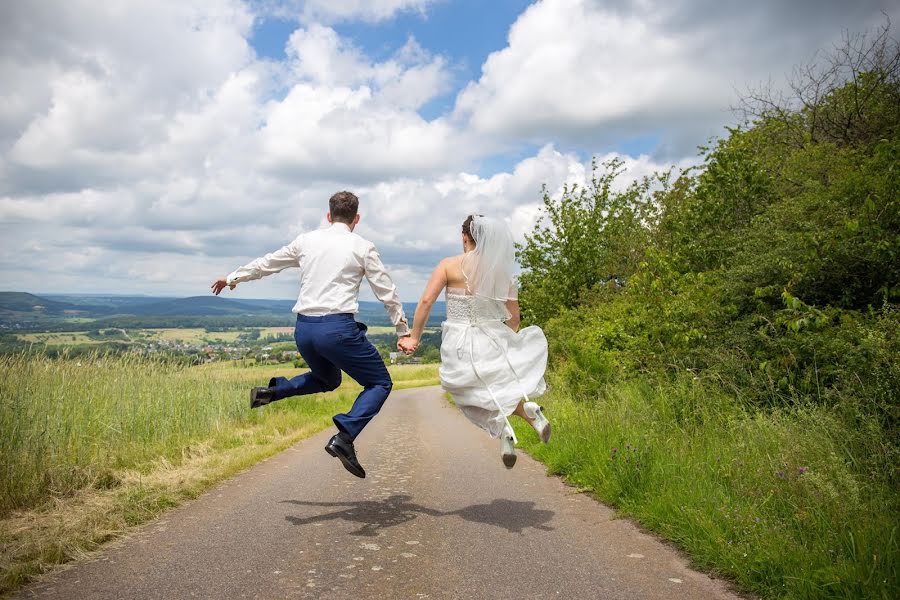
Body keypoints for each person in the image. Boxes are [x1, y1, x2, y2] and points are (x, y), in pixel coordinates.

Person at [210, 191, 410, 479]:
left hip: (304, 329)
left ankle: (271, 392)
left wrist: (233, 278)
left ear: (329, 216)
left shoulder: (307, 240)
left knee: (328, 379)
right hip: (337, 329)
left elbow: (269, 262)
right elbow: (386, 291)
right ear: (357, 218)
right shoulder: (362, 247)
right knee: (379, 382)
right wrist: (402, 331)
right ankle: (344, 437)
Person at [398, 215, 550, 468]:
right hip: (491, 337)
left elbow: (426, 301)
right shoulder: (500, 271)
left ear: (464, 236)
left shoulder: (449, 265)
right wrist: (507, 342)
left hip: (459, 339)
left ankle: (508, 427)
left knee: (465, 393)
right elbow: (514, 316)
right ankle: (521, 419)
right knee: (492, 389)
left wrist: (414, 336)